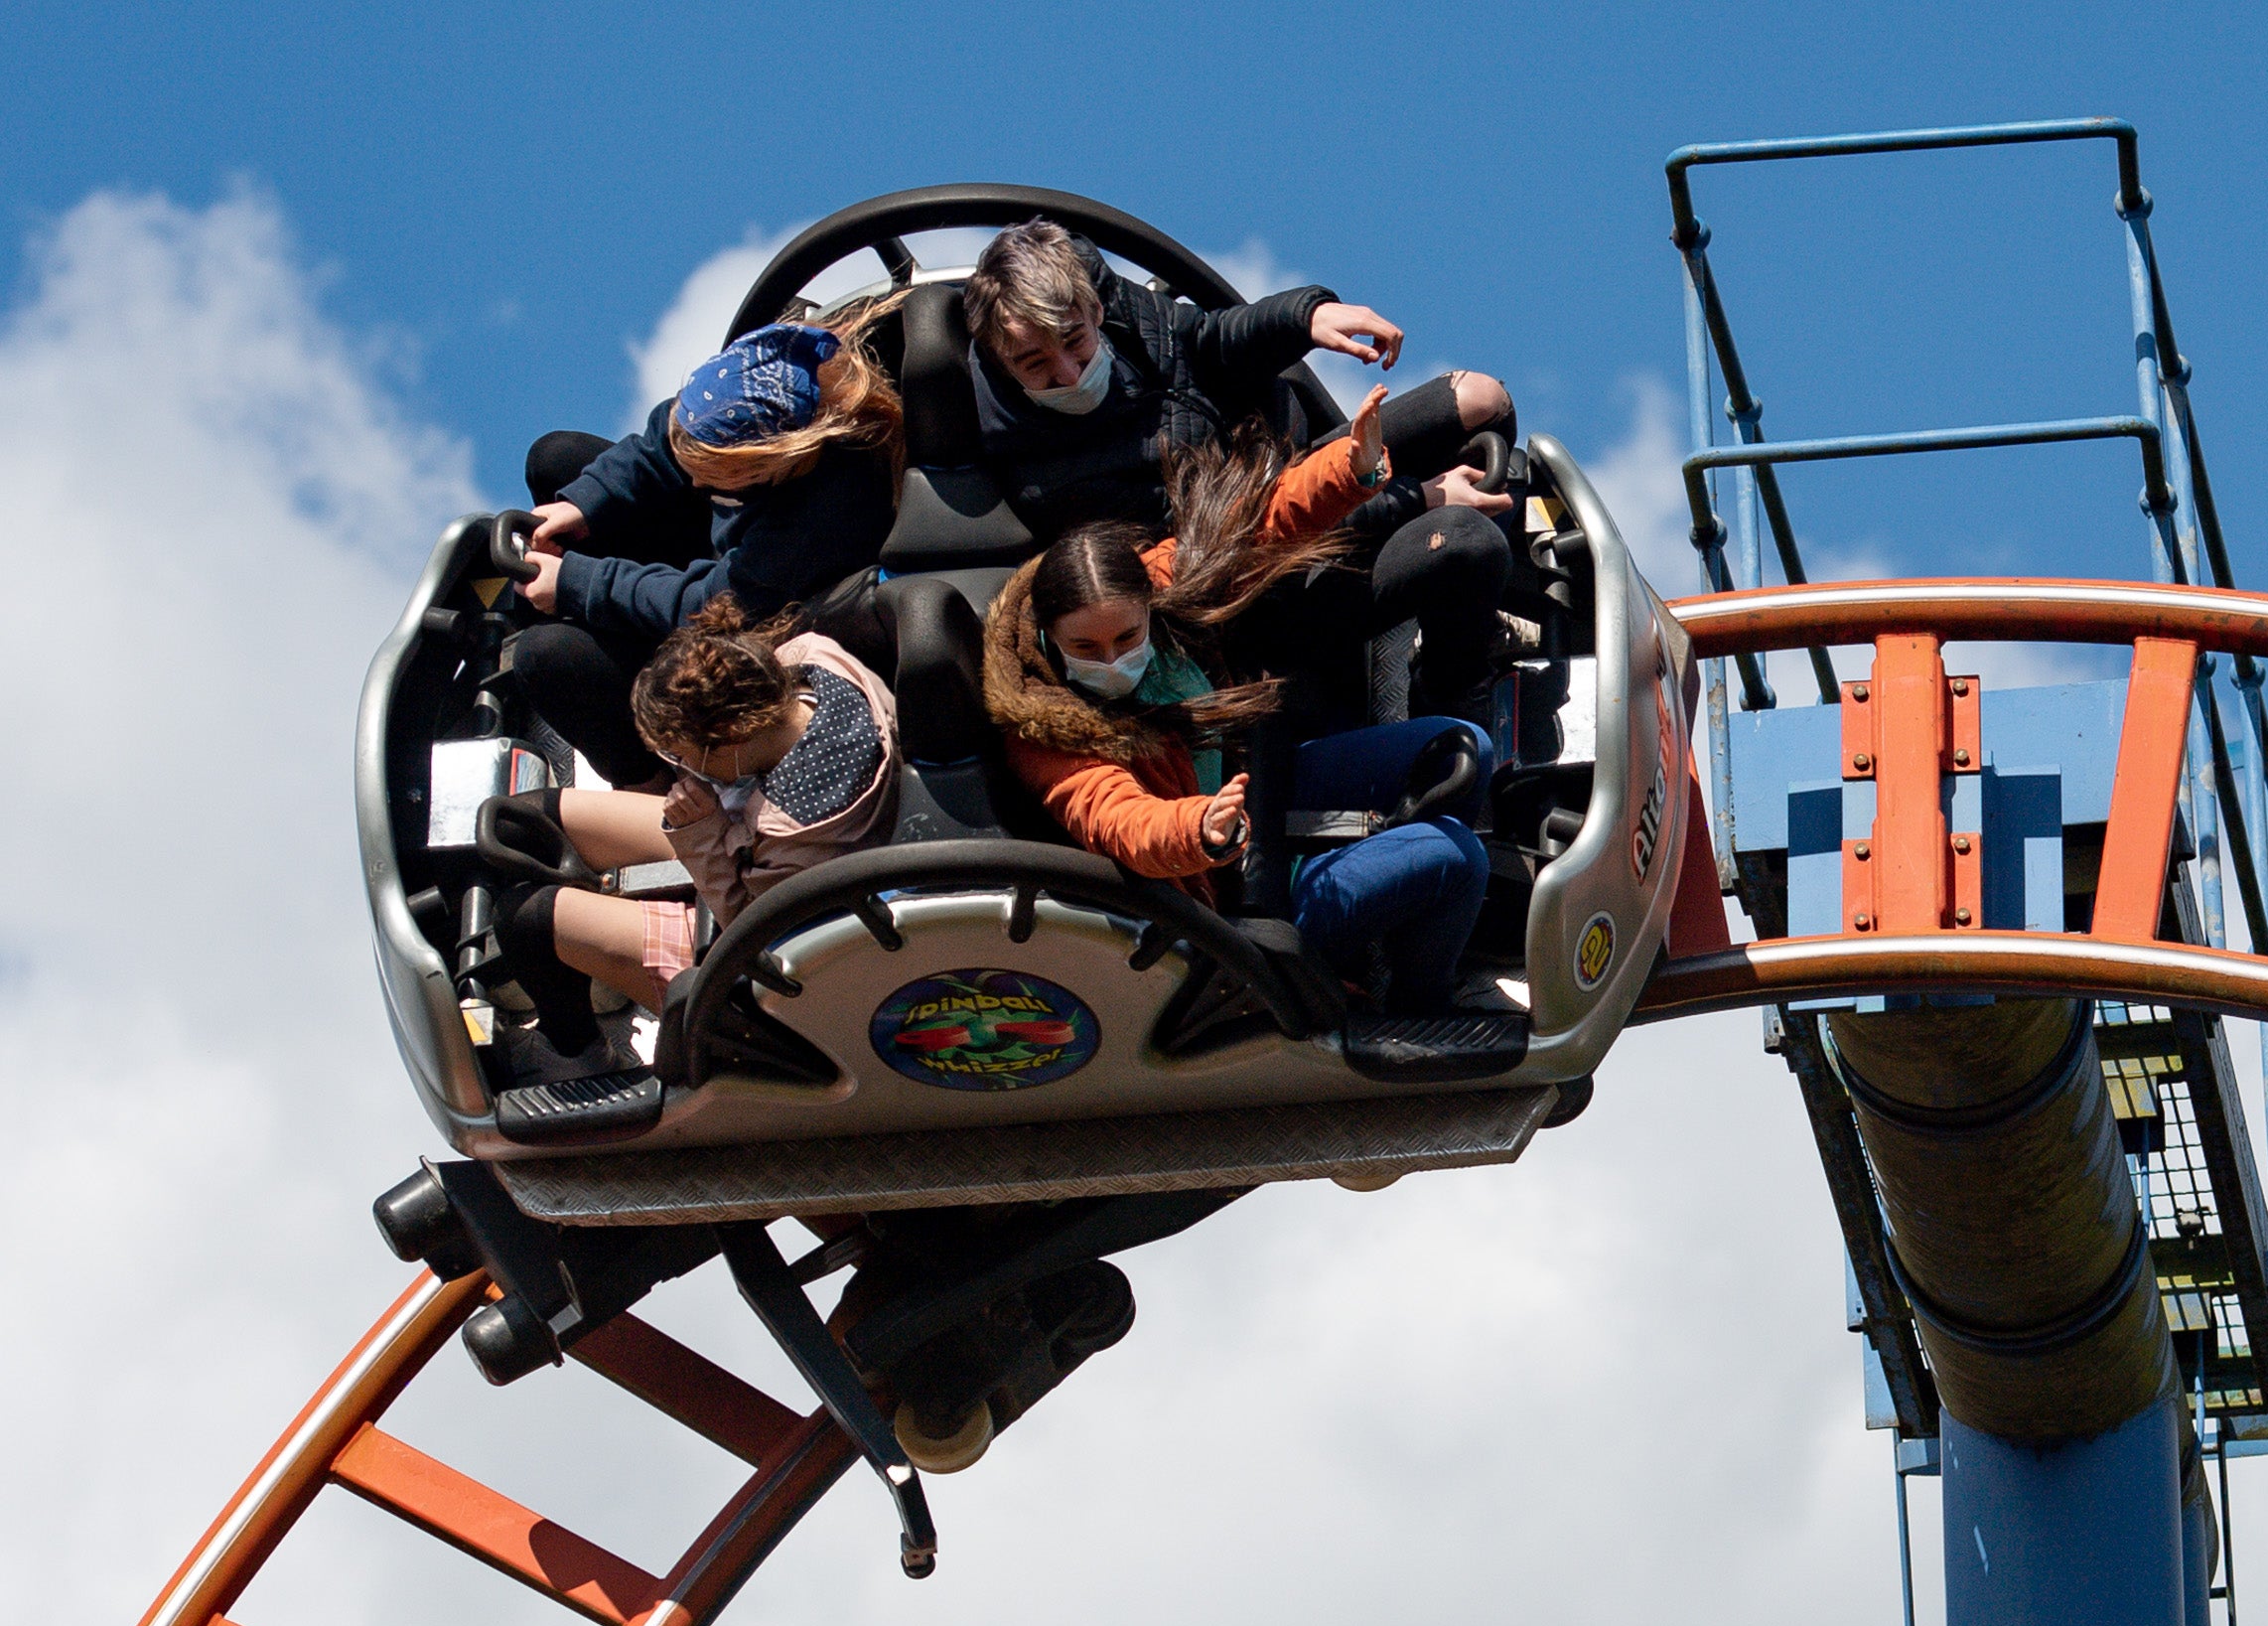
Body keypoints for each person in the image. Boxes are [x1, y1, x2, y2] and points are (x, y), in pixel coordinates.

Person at [979, 388, 1493, 1018]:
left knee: (1462, 750)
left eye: (1128, 637)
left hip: (1259, 789)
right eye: (1086, 647)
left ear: (1150, 605)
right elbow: (1117, 819)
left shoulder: (1166, 586)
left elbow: (1262, 524)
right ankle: (1419, 1006)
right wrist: (1200, 828)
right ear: (1046, 639)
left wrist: (1351, 468)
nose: (1112, 660)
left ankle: (1412, 926)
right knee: (1456, 856)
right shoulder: (1043, 729)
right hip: (1220, 897)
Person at [962, 221, 1521, 722]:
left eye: (1075, 341)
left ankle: (1473, 613)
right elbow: (1228, 550)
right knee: (1465, 541)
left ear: (1095, 310)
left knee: (1481, 399)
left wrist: (1308, 316)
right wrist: (1413, 498)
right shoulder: (1046, 478)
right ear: (1000, 363)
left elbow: (1203, 342)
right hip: (1258, 594)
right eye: (1035, 364)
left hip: (1287, 479)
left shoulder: (1123, 322)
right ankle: (1453, 692)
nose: (1067, 371)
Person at [485, 598, 900, 1078]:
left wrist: (699, 832)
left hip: (763, 929)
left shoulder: (793, 828)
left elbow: (751, 930)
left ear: (731, 735)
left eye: (683, 755)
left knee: (525, 920)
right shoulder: (811, 657)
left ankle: (576, 1052)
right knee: (525, 822)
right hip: (752, 836)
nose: (681, 768)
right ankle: (594, 955)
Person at [496, 316, 904, 788]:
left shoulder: (821, 520)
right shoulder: (751, 398)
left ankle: (653, 787)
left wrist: (576, 583)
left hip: (752, 620)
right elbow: (660, 449)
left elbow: (710, 602)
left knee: (548, 656)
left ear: (768, 463)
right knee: (556, 458)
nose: (693, 484)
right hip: (734, 560)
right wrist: (582, 504)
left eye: (712, 477)